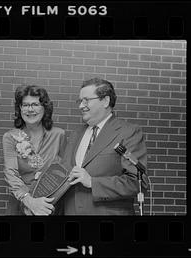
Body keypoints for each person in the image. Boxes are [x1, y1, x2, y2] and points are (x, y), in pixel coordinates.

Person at [62, 78, 149, 215]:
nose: (81, 106)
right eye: (80, 101)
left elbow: (137, 183)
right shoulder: (75, 134)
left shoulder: (128, 132)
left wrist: (92, 182)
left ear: (105, 101)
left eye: (86, 100)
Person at [2, 85, 66, 215]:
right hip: (21, 202)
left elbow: (64, 170)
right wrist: (29, 201)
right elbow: (11, 173)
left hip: (49, 203)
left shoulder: (59, 135)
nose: (30, 109)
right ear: (20, 108)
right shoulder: (10, 137)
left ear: (45, 107)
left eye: (35, 104)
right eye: (25, 105)